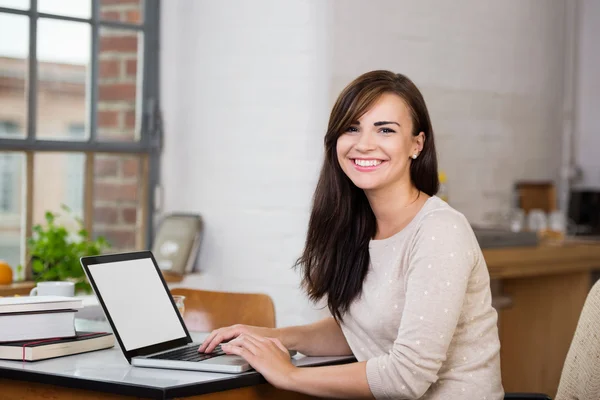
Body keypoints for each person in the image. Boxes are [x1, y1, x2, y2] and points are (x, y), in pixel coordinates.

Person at [199, 70, 504, 399]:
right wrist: (273, 338)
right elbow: (368, 331)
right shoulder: (359, 225)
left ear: (417, 143)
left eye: (385, 129)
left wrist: (288, 375)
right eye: (351, 128)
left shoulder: (439, 231)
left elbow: (407, 377)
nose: (364, 144)